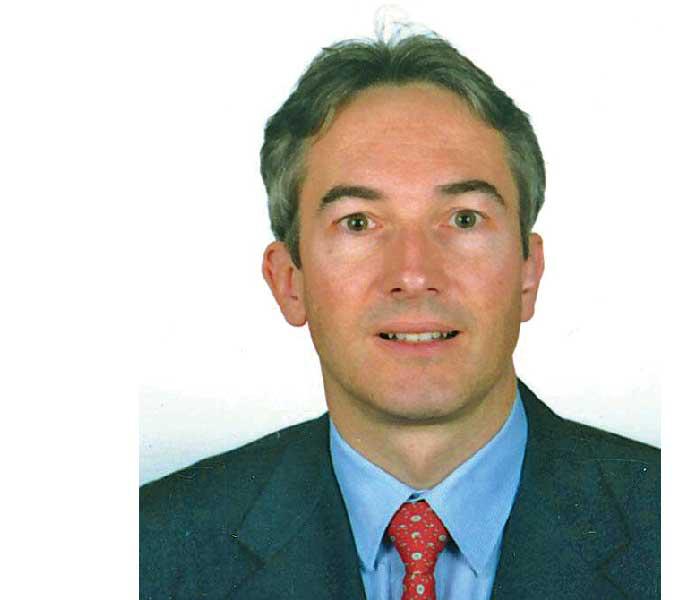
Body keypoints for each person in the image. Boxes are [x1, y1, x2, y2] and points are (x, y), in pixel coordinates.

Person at [140, 29, 659, 600]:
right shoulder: (149, 552)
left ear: (527, 272)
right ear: (289, 281)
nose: (413, 274)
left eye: (463, 219)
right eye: (359, 223)